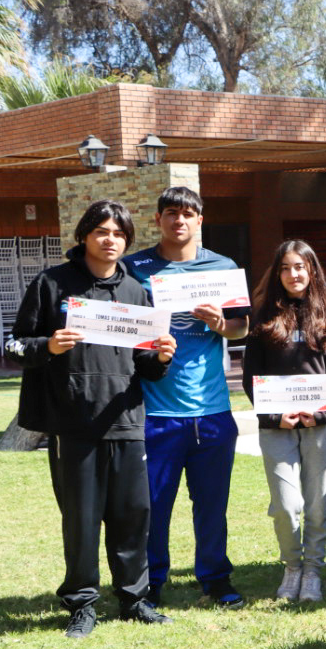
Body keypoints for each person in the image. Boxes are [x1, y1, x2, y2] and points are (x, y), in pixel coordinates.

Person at [7, 199, 176, 637]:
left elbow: (146, 367)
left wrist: (161, 358)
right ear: (84, 235)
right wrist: (50, 346)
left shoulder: (137, 292)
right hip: (72, 423)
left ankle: (135, 600)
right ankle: (82, 605)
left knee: (133, 515)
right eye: (102, 231)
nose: (110, 240)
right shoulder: (51, 284)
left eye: (119, 234)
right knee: (81, 519)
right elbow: (14, 346)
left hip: (125, 419)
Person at [123, 185, 249, 607]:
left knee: (211, 504)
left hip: (212, 410)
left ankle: (215, 577)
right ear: (158, 220)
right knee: (154, 507)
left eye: (188, 213)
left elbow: (241, 328)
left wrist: (220, 326)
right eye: (171, 212)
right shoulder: (134, 268)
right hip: (155, 411)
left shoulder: (223, 266)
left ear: (200, 219)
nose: (179, 220)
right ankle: (152, 581)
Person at [241, 240, 326, 602]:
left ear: (313, 271)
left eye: (300, 267)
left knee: (319, 505)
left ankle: (313, 572)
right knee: (287, 507)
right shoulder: (263, 317)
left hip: (322, 426)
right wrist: (277, 416)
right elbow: (250, 377)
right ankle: (292, 566)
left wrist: (320, 412)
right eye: (286, 268)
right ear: (278, 273)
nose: (293, 274)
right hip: (278, 427)